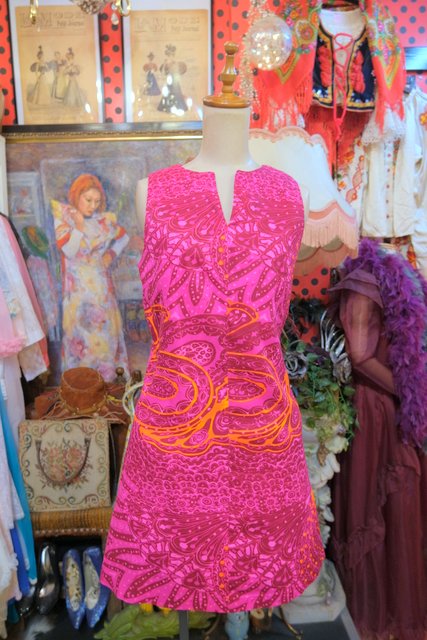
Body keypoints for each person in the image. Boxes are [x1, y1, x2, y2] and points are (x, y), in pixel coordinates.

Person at [52, 173, 129, 382]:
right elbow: (69, 251)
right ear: (76, 195)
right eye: (88, 200)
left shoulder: (102, 221)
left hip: (101, 290)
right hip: (78, 293)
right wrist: (78, 227)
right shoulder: (64, 219)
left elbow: (124, 237)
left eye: (96, 201)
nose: (92, 206)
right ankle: (82, 386)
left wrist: (110, 254)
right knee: (81, 338)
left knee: (105, 336)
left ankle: (107, 382)